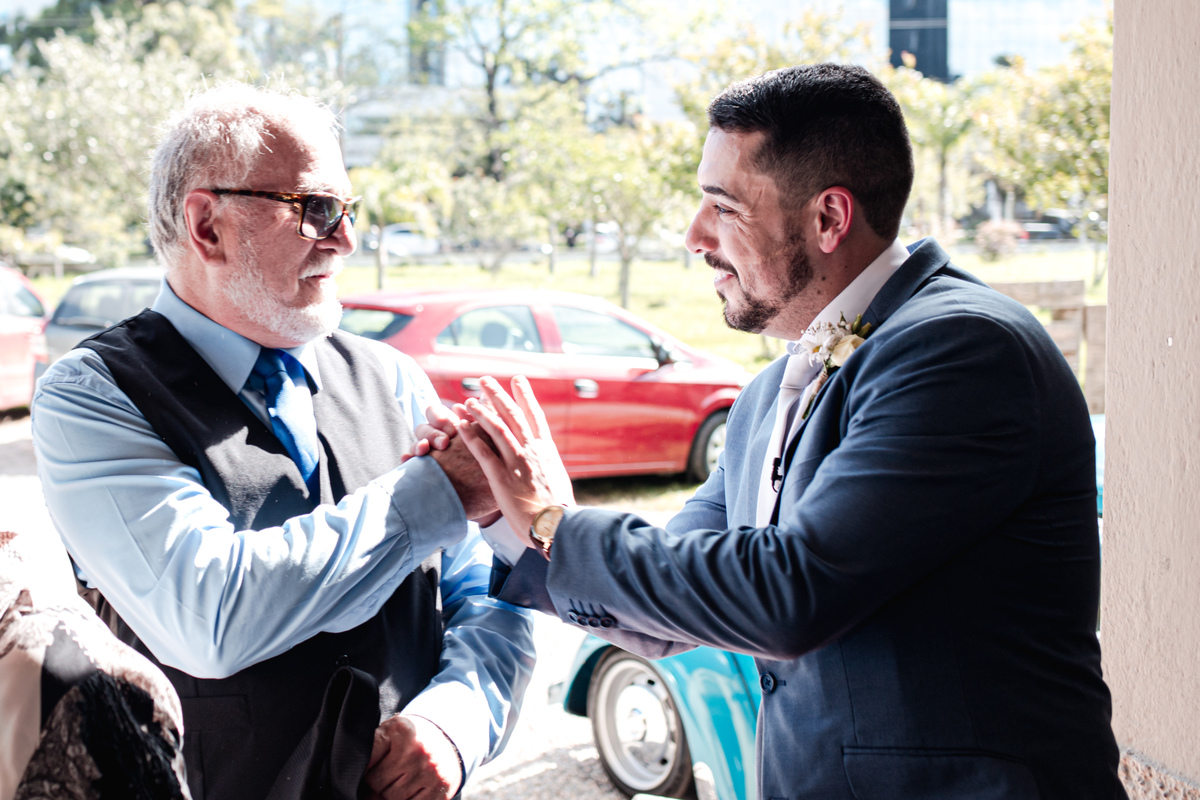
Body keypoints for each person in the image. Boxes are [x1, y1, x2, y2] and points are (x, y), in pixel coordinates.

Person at [423, 65, 1126, 799]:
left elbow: (792, 594)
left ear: (829, 218)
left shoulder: (964, 350)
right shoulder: (766, 396)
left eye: (723, 206)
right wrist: (502, 509)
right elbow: (669, 614)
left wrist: (552, 520)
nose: (694, 235)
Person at [32, 83, 534, 800]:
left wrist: (455, 723)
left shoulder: (392, 376)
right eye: (316, 209)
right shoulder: (93, 396)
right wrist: (441, 493)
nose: (346, 239)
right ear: (207, 225)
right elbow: (207, 617)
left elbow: (486, 594)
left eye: (350, 211)